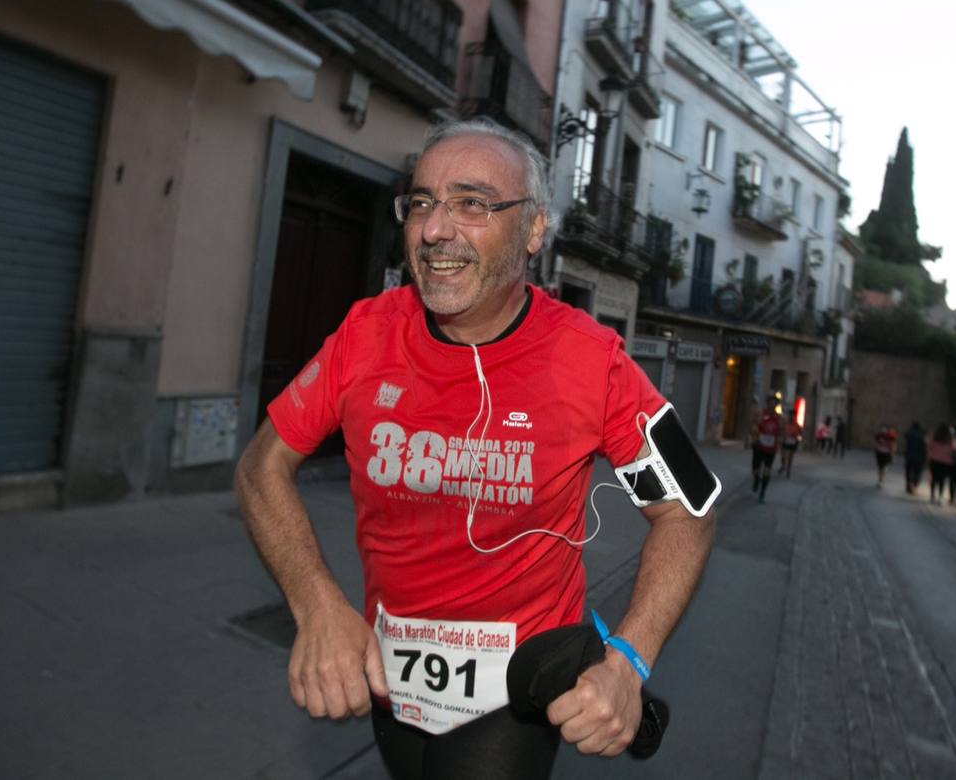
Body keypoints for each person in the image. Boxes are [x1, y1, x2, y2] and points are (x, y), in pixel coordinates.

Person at [233, 118, 717, 778]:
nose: (435, 230)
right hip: (389, 679)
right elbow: (262, 466)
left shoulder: (590, 358)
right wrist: (316, 603)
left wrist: (629, 661)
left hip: (513, 692)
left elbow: (686, 509)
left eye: (472, 203)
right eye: (424, 202)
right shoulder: (366, 332)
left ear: (534, 230)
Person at [751, 399, 782, 503]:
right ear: (767, 404)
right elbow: (754, 426)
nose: (772, 406)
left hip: (770, 449)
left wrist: (779, 442)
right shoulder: (761, 414)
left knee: (766, 472)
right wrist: (754, 436)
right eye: (770, 404)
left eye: (774, 404)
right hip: (759, 447)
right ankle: (756, 480)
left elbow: (781, 432)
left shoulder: (778, 418)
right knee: (755, 470)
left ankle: (762, 493)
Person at [927, 422, 955, 504]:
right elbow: (954, 448)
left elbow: (929, 445)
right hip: (945, 461)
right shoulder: (950, 438)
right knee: (942, 479)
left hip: (934, 459)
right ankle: (940, 496)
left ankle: (932, 495)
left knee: (934, 478)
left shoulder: (935, 435)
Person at [903, 422, 927, 495]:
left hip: (909, 455)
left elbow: (905, 436)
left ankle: (908, 485)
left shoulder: (910, 433)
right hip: (920, 456)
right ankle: (914, 486)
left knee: (908, 471)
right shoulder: (923, 434)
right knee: (917, 472)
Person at [780, 409, 803, 478]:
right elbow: (781, 431)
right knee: (783, 456)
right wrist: (782, 437)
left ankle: (788, 471)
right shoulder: (785, 424)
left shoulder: (797, 425)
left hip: (793, 443)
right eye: (790, 415)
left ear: (794, 416)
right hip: (785, 441)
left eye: (793, 415)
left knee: (790, 458)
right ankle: (784, 466)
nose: (791, 417)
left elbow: (800, 434)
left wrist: (797, 439)